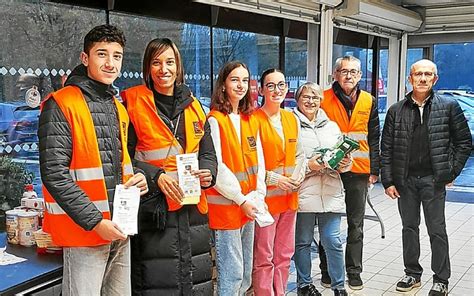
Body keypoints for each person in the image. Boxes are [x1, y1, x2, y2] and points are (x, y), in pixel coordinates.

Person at [38, 24, 149, 296]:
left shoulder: (117, 106)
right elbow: (54, 174)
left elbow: (117, 163)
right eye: (102, 54)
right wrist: (96, 222)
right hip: (85, 233)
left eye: (117, 56)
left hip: (119, 228)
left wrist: (137, 178)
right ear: (85, 58)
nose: (110, 63)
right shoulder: (61, 103)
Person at [120, 38, 217, 295]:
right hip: (155, 211)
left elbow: (208, 153)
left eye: (170, 62)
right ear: (148, 68)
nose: (164, 69)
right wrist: (155, 176)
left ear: (179, 66)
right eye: (156, 62)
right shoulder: (132, 105)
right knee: (156, 283)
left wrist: (210, 172)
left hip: (193, 210)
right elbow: (123, 158)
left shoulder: (194, 105)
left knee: (194, 282)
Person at [381, 59, 471, 296]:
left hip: (434, 180)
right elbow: (387, 147)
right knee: (409, 228)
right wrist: (388, 181)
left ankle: (441, 278)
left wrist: (451, 172)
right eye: (418, 74)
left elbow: (464, 142)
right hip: (405, 181)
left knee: (436, 230)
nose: (422, 78)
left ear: (435, 79)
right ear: (410, 79)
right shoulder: (395, 110)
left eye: (428, 74)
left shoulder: (449, 107)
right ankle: (412, 273)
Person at [319, 55, 380, 290]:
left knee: (356, 224)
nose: (349, 76)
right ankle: (327, 270)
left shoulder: (368, 100)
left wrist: (375, 170)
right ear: (335, 74)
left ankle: (354, 271)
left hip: (359, 171)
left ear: (360, 76)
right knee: (327, 221)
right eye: (344, 71)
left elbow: (374, 135)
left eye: (354, 72)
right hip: (330, 169)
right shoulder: (323, 99)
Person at [206, 61, 266, 295]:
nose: (240, 85)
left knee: (245, 273)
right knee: (231, 274)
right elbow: (217, 167)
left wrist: (259, 195)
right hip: (228, 207)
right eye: (234, 80)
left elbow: (259, 161)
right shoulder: (214, 119)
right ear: (223, 85)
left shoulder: (249, 118)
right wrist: (242, 199)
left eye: (244, 80)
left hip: (249, 206)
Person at [293, 82, 351, 296]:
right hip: (304, 192)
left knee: (333, 241)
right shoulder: (291, 123)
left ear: (321, 101)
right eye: (306, 97)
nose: (311, 101)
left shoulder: (332, 126)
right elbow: (288, 161)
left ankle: (339, 286)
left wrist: (346, 163)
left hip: (331, 191)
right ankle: (304, 285)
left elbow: (343, 157)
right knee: (303, 242)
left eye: (315, 97)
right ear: (298, 99)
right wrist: (310, 165)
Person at [252, 68, 305, 296]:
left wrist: (298, 176)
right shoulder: (253, 120)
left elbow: (301, 154)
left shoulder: (291, 118)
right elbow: (250, 164)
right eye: (271, 85)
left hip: (289, 198)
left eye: (281, 85)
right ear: (262, 89)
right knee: (264, 256)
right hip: (265, 202)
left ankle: (280, 292)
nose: (277, 90)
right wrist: (276, 179)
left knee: (284, 254)